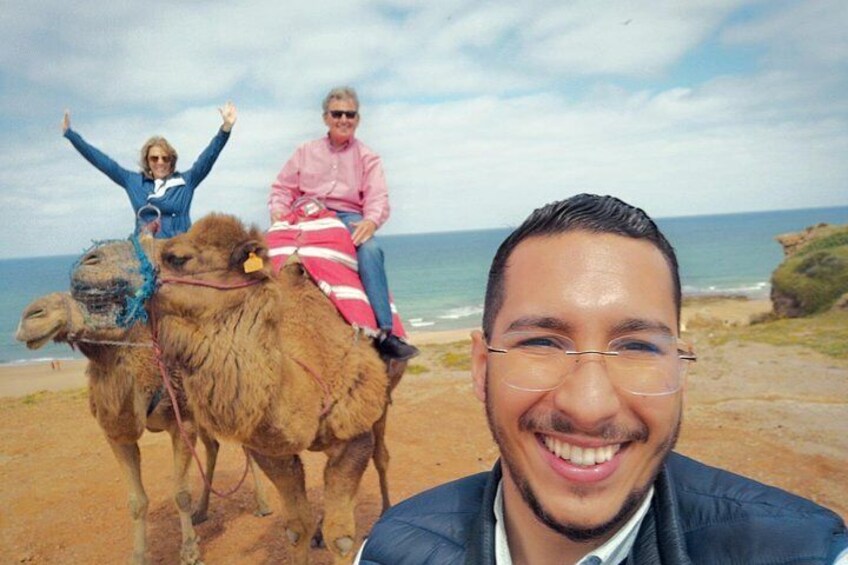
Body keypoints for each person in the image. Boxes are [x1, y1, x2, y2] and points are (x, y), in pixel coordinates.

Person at [358, 194, 848, 564]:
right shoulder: (389, 551)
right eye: (542, 343)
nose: (589, 405)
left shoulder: (806, 551)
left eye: (637, 347)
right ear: (482, 367)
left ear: (679, 369)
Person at [269, 86, 418, 361]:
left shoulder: (367, 157)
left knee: (371, 250)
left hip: (348, 218)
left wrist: (371, 221)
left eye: (350, 114)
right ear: (326, 117)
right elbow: (282, 188)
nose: (344, 120)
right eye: (337, 114)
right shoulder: (304, 151)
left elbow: (377, 196)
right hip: (306, 215)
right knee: (263, 252)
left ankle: (386, 334)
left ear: (358, 119)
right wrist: (278, 211)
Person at [62, 102, 237, 238]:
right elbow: (101, 161)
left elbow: (208, 157)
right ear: (147, 161)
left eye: (165, 158)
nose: (160, 162)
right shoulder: (133, 181)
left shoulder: (186, 181)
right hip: (146, 251)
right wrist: (71, 135)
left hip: (180, 252)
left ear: (171, 161)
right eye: (154, 158)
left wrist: (226, 128)